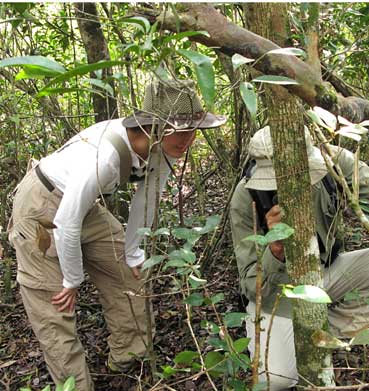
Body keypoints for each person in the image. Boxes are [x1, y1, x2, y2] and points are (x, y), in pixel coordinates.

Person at [8, 78, 226, 391]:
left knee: (129, 275)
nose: (188, 140)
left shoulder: (165, 148)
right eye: (180, 131)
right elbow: (66, 221)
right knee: (55, 307)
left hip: (83, 207)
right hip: (41, 204)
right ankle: (75, 386)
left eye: (193, 131)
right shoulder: (104, 157)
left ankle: (129, 361)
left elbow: (146, 198)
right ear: (155, 126)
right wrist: (72, 280)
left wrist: (134, 251)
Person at [230, 118, 369, 390]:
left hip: (326, 270)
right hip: (279, 293)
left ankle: (321, 335)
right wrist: (276, 250)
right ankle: (299, 339)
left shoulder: (334, 163)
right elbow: (251, 286)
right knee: (277, 381)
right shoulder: (245, 198)